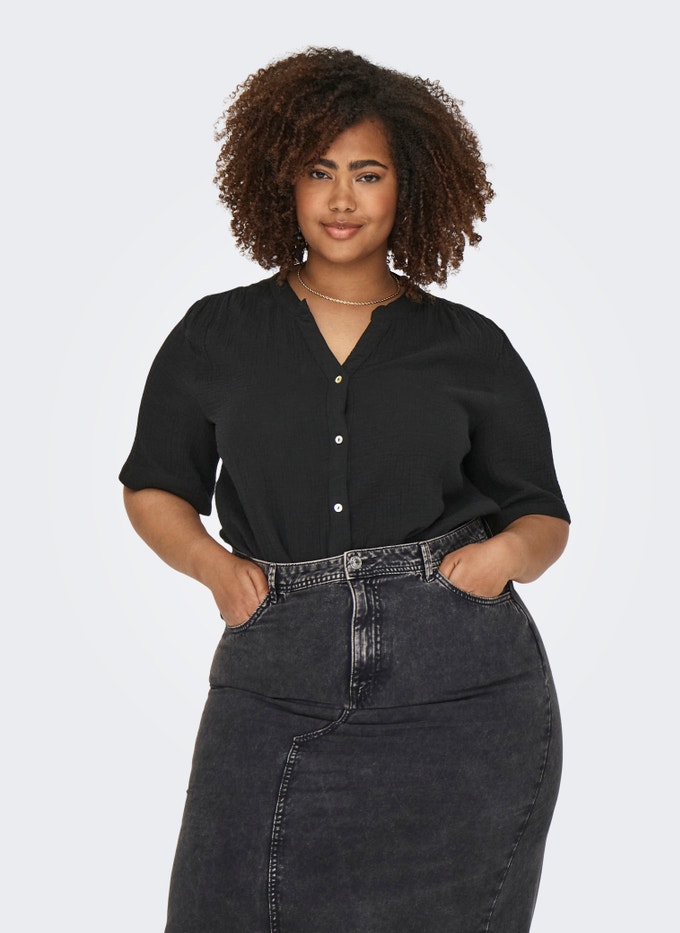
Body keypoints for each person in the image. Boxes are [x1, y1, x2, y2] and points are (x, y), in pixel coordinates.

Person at [120, 47, 570, 933]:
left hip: (463, 684)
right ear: (281, 182)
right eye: (319, 171)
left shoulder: (471, 346)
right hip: (274, 667)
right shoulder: (216, 334)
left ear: (409, 187)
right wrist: (215, 568)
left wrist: (500, 560)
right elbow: (153, 486)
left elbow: (543, 515)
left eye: (368, 174)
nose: (341, 199)